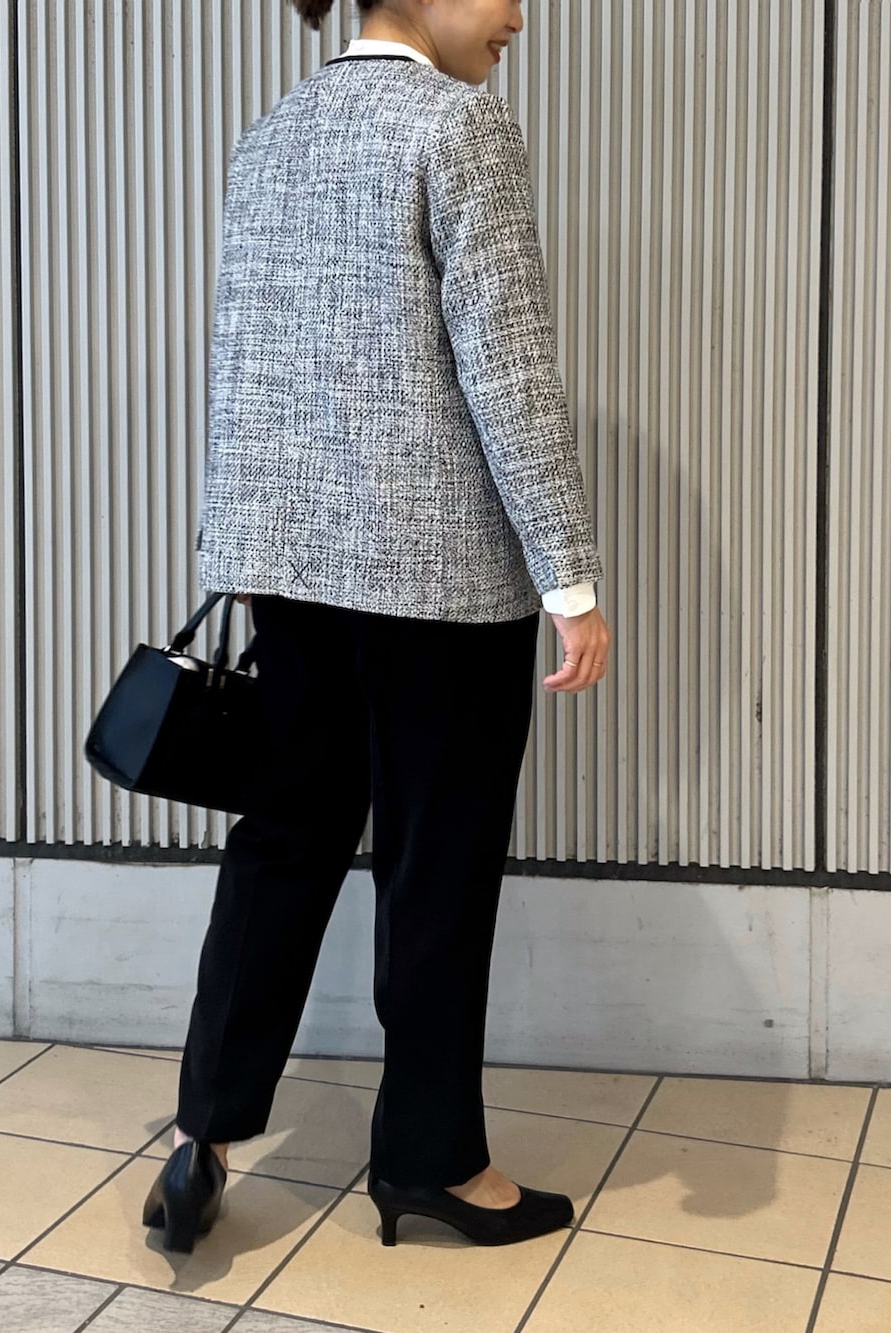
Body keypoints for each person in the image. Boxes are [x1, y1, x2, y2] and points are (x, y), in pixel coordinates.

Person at [142, 0, 611, 1254]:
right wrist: (568, 576)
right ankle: (430, 1160)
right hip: (437, 578)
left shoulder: (273, 131)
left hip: (289, 568)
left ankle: (202, 1131)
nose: (516, 15)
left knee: (282, 839)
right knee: (433, 864)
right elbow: (507, 365)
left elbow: (249, 362)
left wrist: (240, 546)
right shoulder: (456, 127)